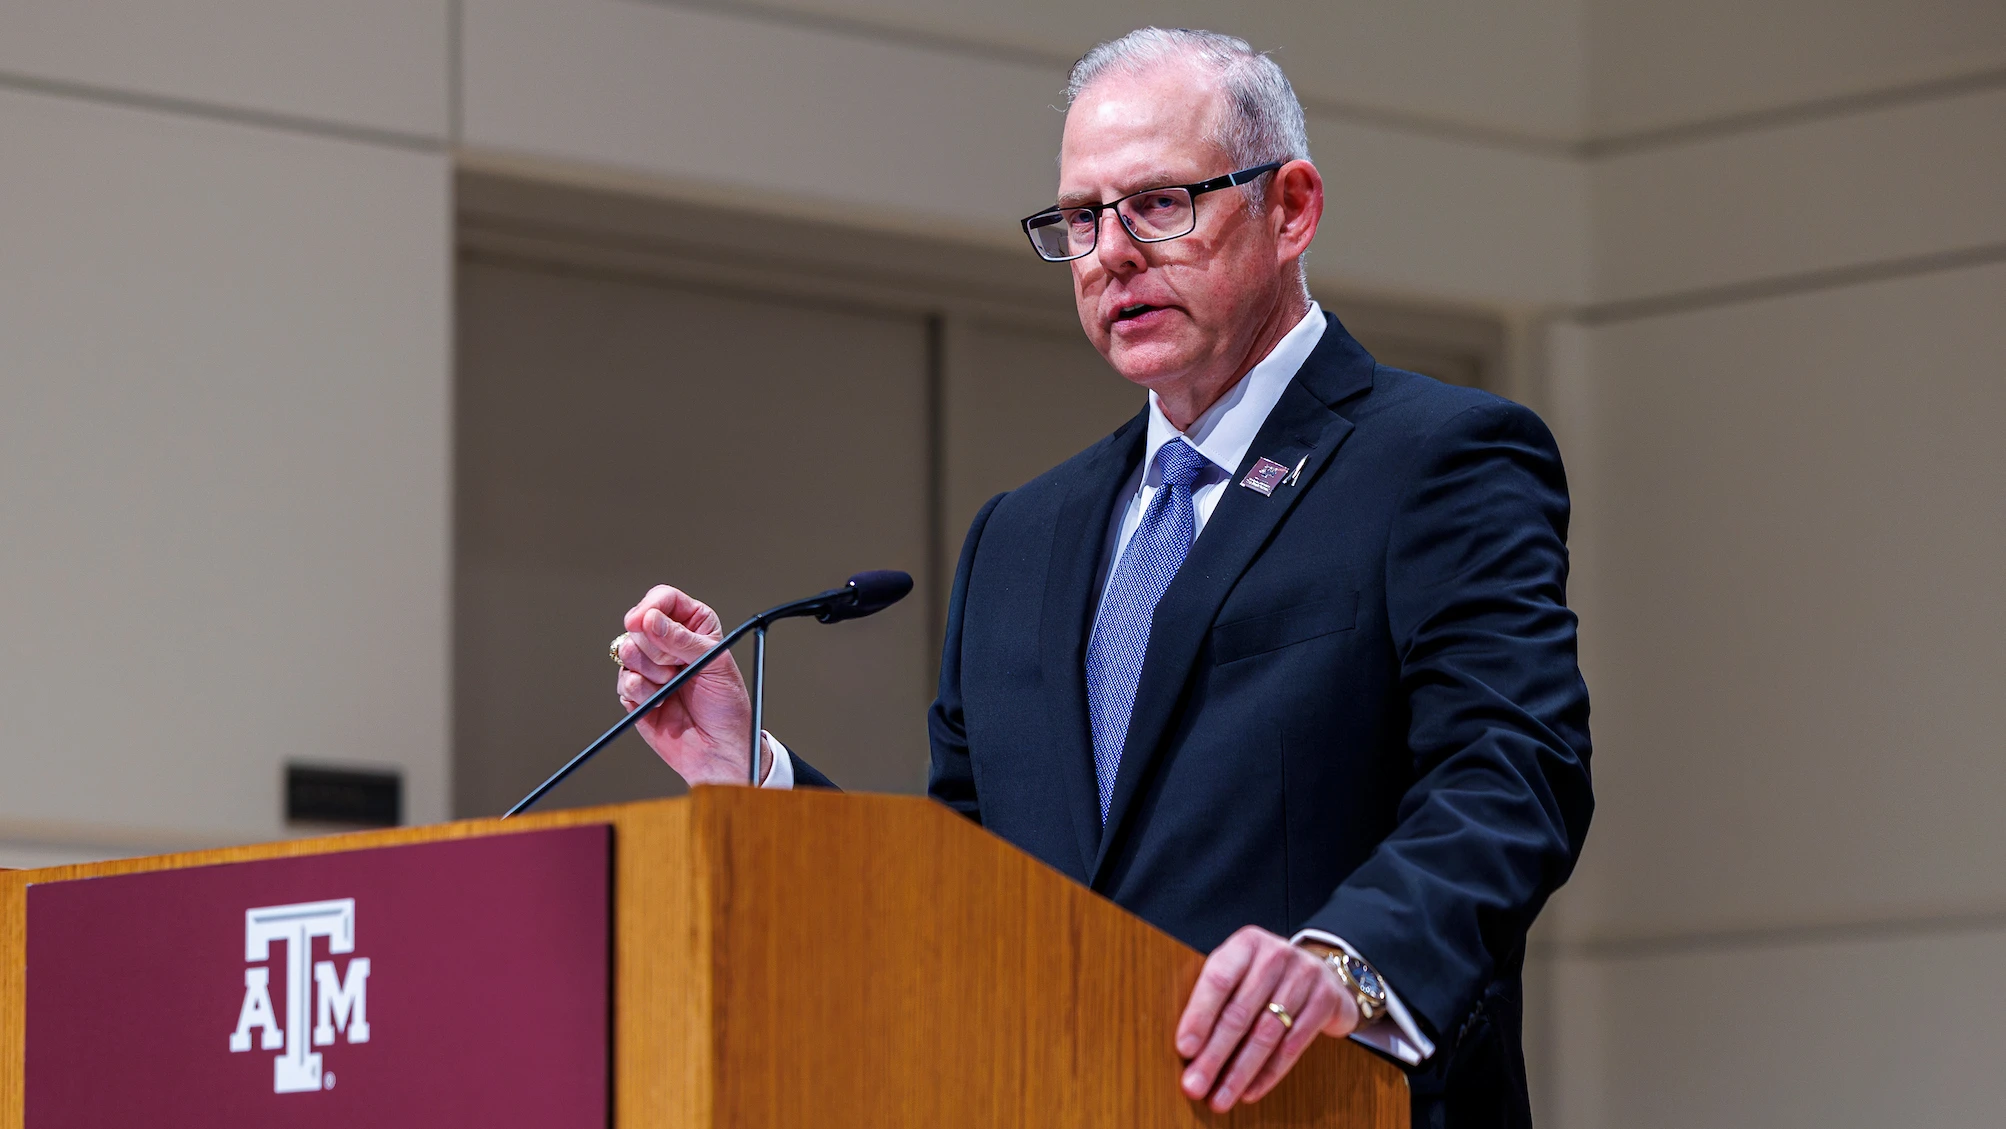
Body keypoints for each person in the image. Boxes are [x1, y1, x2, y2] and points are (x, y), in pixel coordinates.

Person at [610, 27, 1591, 1128]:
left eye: (1159, 203)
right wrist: (755, 776)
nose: (1111, 251)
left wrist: (1342, 961)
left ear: (1292, 208)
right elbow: (968, 893)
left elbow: (1511, 772)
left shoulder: (1434, 459)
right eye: (1080, 219)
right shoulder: (1019, 539)